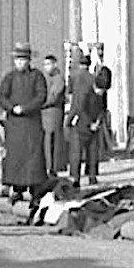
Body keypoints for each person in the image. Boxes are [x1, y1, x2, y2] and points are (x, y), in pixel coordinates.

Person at [0, 42, 48, 204]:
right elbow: (1, 97)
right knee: (15, 158)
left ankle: (35, 191)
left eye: (23, 60)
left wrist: (25, 108)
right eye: (17, 60)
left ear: (28, 61)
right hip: (14, 126)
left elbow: (41, 96)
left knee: (33, 158)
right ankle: (17, 189)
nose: (19, 63)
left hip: (32, 124)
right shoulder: (9, 78)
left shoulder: (37, 76)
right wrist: (12, 108)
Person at [67, 56, 107, 188]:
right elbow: (81, 109)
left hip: (92, 125)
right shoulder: (87, 91)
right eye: (99, 91)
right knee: (78, 152)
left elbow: (102, 110)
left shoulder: (75, 76)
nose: (100, 93)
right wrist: (91, 123)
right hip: (81, 124)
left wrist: (98, 122)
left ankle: (91, 176)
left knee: (91, 151)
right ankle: (76, 178)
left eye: (102, 92)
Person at [40, 54, 66, 175]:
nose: (46, 67)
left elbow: (53, 97)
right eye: (45, 65)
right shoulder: (44, 78)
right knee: (46, 142)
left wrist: (39, 103)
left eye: (48, 64)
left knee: (53, 141)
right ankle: (47, 166)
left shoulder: (59, 79)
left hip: (53, 114)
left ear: (55, 64)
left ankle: (53, 167)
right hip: (44, 115)